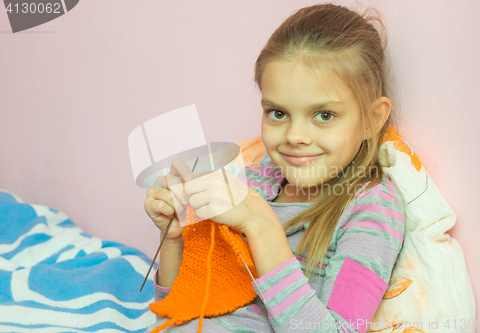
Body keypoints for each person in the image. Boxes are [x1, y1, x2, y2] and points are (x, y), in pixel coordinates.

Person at [144, 3, 405, 333]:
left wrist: (261, 225)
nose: (295, 136)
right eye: (278, 113)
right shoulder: (256, 181)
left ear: (374, 119)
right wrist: (174, 238)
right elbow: (177, 307)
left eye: (324, 115)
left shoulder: (370, 210)